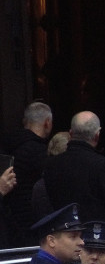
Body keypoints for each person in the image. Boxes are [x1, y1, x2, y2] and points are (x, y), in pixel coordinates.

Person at [44, 111, 105, 226]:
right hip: (97, 237)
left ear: (70, 133)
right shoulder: (102, 165)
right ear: (97, 135)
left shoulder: (51, 165)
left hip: (64, 234)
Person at [4, 101, 52, 246]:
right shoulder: (39, 153)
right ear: (47, 123)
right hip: (32, 226)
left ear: (25, 122)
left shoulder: (8, 147)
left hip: (8, 224)